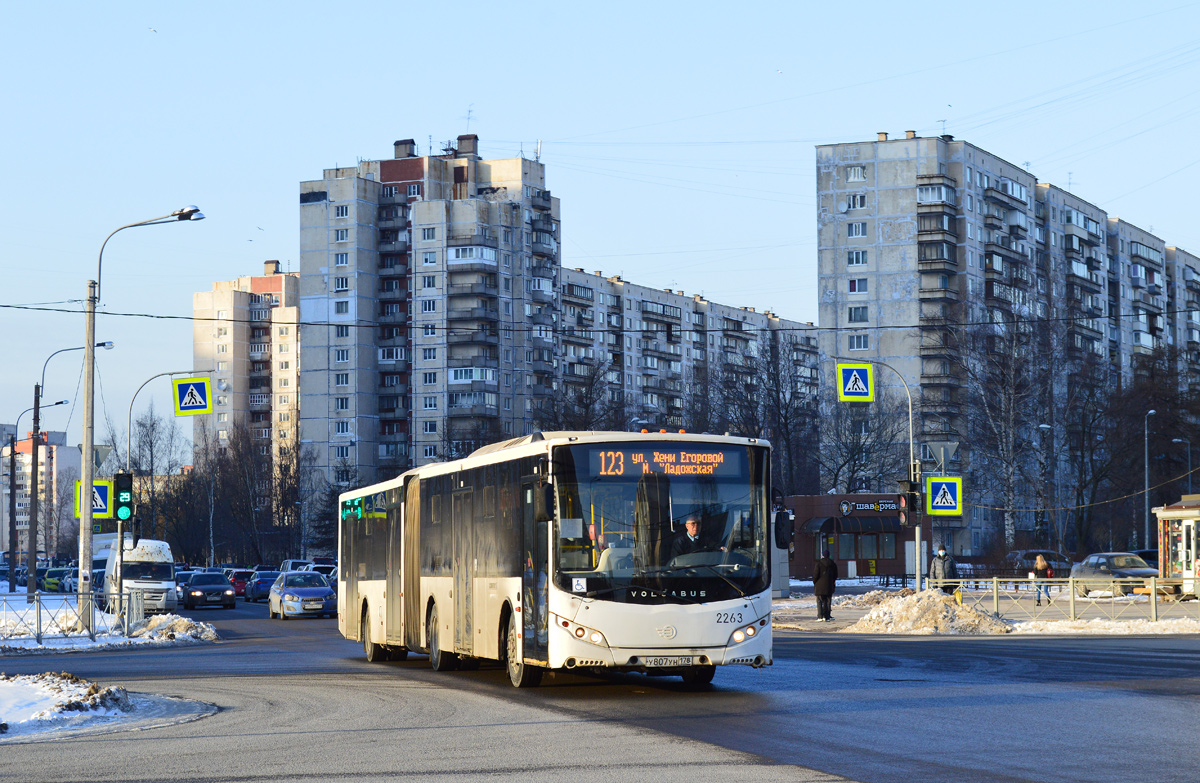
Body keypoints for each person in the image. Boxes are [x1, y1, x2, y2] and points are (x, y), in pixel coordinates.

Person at [812, 549, 838, 622]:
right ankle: (827, 616)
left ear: (822, 555)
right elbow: (835, 575)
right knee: (828, 601)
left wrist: (815, 582)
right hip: (829, 585)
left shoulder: (819, 563)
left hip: (819, 585)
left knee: (819, 600)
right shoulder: (832, 563)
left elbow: (815, 574)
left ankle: (820, 616)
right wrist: (832, 581)